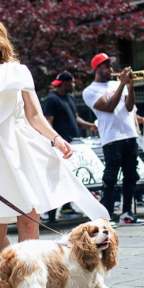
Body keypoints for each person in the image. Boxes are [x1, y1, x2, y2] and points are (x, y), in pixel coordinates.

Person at [0, 19, 109, 259]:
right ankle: (12, 270)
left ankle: (27, 277)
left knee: (29, 221)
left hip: (21, 147)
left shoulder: (18, 72)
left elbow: (34, 114)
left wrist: (55, 139)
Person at [82, 53, 144, 227]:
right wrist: (122, 85)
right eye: (106, 66)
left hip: (129, 135)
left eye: (111, 66)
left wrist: (130, 86)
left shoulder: (119, 84)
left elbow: (129, 106)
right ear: (97, 69)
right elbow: (109, 107)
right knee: (111, 178)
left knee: (131, 176)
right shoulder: (90, 91)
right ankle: (106, 217)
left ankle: (127, 213)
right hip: (111, 138)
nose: (111, 69)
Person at [42, 70, 98, 222]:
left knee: (71, 177)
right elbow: (48, 120)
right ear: (66, 83)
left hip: (72, 143)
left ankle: (67, 207)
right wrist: (52, 140)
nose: (74, 85)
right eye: (73, 82)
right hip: (60, 145)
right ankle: (56, 211)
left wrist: (90, 126)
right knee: (60, 178)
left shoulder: (70, 98)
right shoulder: (52, 99)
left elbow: (76, 118)